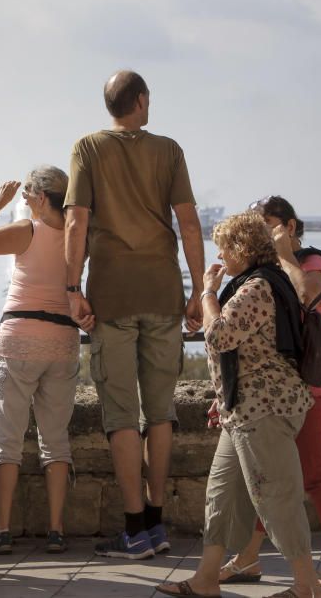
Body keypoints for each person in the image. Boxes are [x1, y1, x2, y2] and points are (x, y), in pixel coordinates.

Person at [64, 70, 205, 558]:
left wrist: (71, 288)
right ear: (142, 101)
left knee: (121, 415)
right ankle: (157, 522)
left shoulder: (87, 149)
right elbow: (188, 223)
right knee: (160, 412)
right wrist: (199, 291)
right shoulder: (169, 151)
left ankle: (133, 530)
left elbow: (76, 220)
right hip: (163, 292)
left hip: (112, 297)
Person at [156, 211, 321, 598]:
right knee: (221, 495)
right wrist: (223, 397)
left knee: (277, 497)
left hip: (264, 410)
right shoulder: (258, 282)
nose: (221, 255)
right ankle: (206, 579)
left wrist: (207, 293)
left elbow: (221, 336)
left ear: (243, 248)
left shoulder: (258, 287)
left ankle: (306, 587)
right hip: (243, 407)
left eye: (225, 247)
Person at [216, 196, 321, 592]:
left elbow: (308, 294)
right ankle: (247, 557)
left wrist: (283, 255)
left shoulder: (312, 263)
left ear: (291, 226)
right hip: (281, 390)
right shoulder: (269, 271)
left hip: (310, 387)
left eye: (270, 222)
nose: (263, 228)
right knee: (269, 475)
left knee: (315, 473)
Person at [0, 169, 80, 555]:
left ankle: (2, 530)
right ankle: (56, 531)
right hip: (63, 339)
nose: (24, 200)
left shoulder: (28, 230)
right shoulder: (79, 234)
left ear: (42, 197)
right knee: (55, 441)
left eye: (27, 194)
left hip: (22, 338)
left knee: (7, 441)